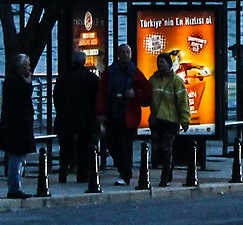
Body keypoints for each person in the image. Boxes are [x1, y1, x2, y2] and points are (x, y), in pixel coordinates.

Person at [102, 46, 150, 187]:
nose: (126, 55)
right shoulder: (109, 72)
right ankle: (123, 169)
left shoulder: (135, 72)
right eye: (123, 52)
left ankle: (125, 174)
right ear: (118, 54)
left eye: (128, 52)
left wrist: (136, 94)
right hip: (112, 115)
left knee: (125, 146)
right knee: (111, 144)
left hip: (129, 116)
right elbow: (102, 93)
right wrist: (100, 113)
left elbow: (147, 91)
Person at [54, 51, 104, 186]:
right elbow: (97, 99)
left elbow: (57, 98)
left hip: (66, 118)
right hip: (86, 118)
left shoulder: (63, 77)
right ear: (84, 62)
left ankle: (63, 171)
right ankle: (82, 175)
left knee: (65, 148)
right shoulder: (92, 78)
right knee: (84, 148)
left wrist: (62, 111)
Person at [0, 53, 36, 199]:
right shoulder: (14, 82)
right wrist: (28, 85)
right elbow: (20, 101)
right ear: (20, 67)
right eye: (27, 66)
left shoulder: (14, 80)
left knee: (19, 157)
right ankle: (14, 188)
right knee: (17, 157)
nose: (29, 69)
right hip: (16, 126)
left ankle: (15, 186)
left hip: (18, 125)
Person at [150, 50, 192, 184]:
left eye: (162, 62)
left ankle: (165, 177)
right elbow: (147, 96)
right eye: (158, 62)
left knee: (166, 148)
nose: (159, 65)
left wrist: (185, 120)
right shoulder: (153, 79)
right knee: (157, 149)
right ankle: (168, 169)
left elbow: (183, 102)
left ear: (169, 64)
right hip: (156, 120)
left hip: (170, 121)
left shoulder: (176, 81)